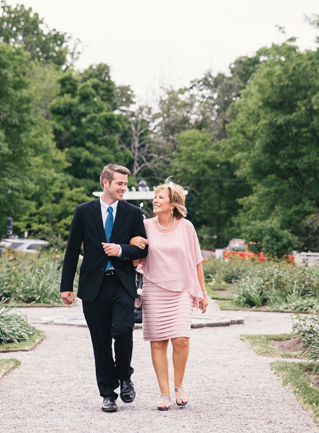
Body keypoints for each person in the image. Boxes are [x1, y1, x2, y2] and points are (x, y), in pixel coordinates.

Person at [60, 164, 148, 413]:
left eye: (126, 184)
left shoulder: (132, 214)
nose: (124, 188)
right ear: (105, 183)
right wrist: (66, 286)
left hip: (121, 283)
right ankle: (108, 394)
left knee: (122, 331)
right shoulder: (84, 212)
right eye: (120, 183)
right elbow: (72, 250)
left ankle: (125, 377)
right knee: (100, 341)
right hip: (93, 286)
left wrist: (120, 249)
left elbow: (143, 248)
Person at [130, 178, 209, 411]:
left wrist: (202, 293)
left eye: (160, 197)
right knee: (158, 342)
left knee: (181, 339)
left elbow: (197, 261)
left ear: (173, 204)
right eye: (155, 197)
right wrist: (133, 241)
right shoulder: (145, 226)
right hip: (154, 289)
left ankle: (179, 386)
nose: (155, 200)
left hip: (182, 289)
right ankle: (164, 394)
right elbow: (136, 258)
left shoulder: (187, 227)